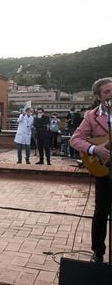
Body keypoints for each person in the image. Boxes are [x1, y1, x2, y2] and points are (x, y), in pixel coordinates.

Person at [70, 77, 112, 264]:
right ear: (98, 96)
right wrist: (95, 149)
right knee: (101, 211)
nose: (111, 94)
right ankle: (98, 252)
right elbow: (75, 139)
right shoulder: (91, 116)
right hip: (103, 168)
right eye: (107, 92)